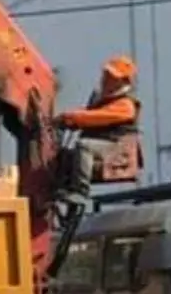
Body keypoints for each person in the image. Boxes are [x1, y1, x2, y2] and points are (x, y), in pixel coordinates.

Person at [55, 55, 140, 199]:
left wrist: (73, 118)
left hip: (116, 147)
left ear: (123, 81)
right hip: (103, 144)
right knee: (63, 155)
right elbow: (90, 116)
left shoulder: (126, 105)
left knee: (84, 146)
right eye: (106, 74)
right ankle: (62, 188)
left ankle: (80, 191)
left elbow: (98, 117)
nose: (105, 79)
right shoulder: (102, 99)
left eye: (111, 76)